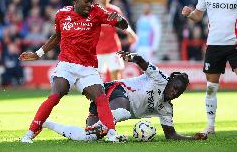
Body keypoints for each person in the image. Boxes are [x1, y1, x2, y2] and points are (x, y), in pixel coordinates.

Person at [19, 0, 128, 143]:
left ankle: (112, 134)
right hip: (66, 65)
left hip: (87, 68)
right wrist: (38, 53)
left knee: (100, 97)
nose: (90, 5)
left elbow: (122, 25)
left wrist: (120, 20)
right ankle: (30, 133)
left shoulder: (97, 12)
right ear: (75, 0)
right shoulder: (62, 14)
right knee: (55, 95)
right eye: (87, 1)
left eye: (91, 1)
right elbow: (57, 36)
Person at [37, 51, 207, 141]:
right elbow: (142, 62)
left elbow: (171, 135)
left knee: (86, 138)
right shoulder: (160, 78)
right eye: (174, 87)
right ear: (170, 82)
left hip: (113, 107)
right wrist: (131, 57)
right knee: (124, 112)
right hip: (115, 90)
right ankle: (106, 129)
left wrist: (193, 138)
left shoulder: (166, 109)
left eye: (179, 92)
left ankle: (47, 124)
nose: (174, 92)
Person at [181, 0, 237, 134]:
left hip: (235, 43)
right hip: (214, 44)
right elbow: (198, 15)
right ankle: (211, 125)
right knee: (211, 86)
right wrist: (189, 13)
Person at [96, 0, 137, 80]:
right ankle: (100, 95)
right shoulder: (93, 12)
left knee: (115, 76)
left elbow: (123, 24)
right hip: (97, 49)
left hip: (113, 48)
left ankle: (115, 94)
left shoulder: (114, 10)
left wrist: (130, 33)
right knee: (96, 78)